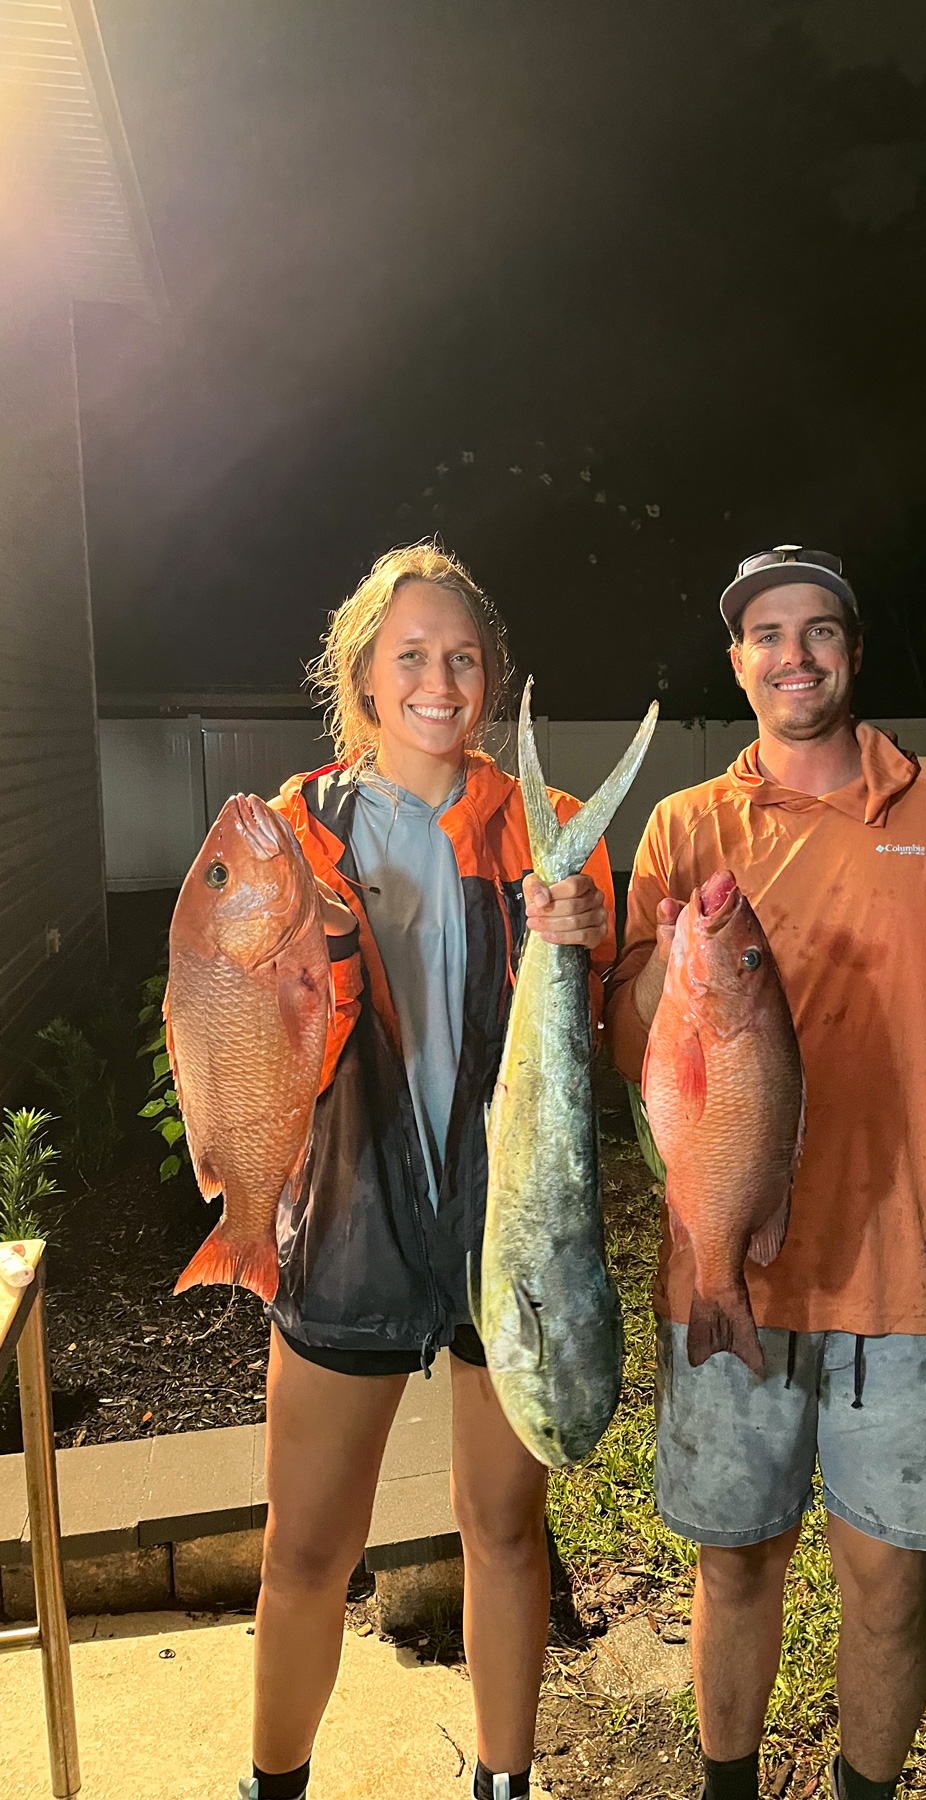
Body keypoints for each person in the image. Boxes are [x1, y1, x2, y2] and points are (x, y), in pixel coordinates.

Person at [606, 546, 926, 1800]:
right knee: (735, 1564)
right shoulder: (688, 831)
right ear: (737, 663)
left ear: (851, 650)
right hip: (734, 1260)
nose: (795, 654)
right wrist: (632, 969)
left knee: (889, 1588)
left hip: (917, 1265)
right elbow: (634, 1049)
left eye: (820, 630)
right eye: (767, 634)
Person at [239, 543, 614, 1800]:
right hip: (348, 1219)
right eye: (411, 656)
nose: (439, 679)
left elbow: (600, 1024)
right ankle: (272, 1782)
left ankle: (505, 1783)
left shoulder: (549, 829)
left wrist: (590, 939)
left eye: (462, 657)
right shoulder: (292, 826)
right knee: (305, 1549)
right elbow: (236, 1017)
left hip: (508, 1229)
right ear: (363, 677)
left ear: (491, 678)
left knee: (505, 1530)